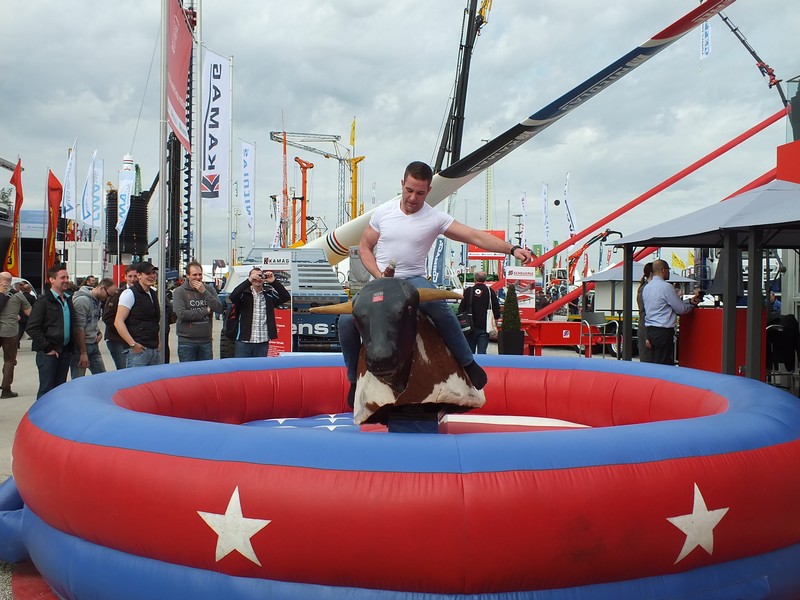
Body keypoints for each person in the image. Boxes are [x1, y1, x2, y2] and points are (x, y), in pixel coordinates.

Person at [338, 161, 534, 406]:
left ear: (429, 190)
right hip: (381, 282)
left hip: (414, 280)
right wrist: (378, 274)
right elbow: (365, 247)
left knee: (440, 307)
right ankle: (353, 380)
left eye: (420, 193)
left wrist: (512, 248)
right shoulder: (382, 213)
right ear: (402, 184)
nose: (413, 197)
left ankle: (468, 363)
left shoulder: (434, 218)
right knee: (346, 321)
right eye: (409, 190)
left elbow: (475, 236)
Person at [26, 265, 79, 399]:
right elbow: (32, 328)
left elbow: (73, 325)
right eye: (62, 277)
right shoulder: (43, 302)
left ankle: (56, 418)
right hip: (48, 353)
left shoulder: (68, 300)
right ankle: (40, 418)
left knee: (60, 389)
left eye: (67, 277)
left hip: (65, 352)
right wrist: (47, 347)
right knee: (46, 390)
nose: (66, 280)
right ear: (52, 280)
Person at [642, 259, 701, 366]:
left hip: (651, 331)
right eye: (668, 270)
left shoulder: (647, 287)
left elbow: (667, 305)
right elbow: (681, 309)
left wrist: (688, 301)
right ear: (663, 270)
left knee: (655, 362)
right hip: (663, 332)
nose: (669, 272)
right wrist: (692, 305)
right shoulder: (666, 287)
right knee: (664, 363)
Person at [229, 266, 290, 358]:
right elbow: (233, 296)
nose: (257, 279)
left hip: (262, 341)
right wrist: (248, 281)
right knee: (242, 369)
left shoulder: (268, 294)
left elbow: (286, 296)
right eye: (254, 276)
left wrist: (274, 281)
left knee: (259, 371)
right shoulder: (243, 294)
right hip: (244, 341)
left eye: (260, 276)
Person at [172, 260, 223, 362]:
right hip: (187, 342)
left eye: (200, 274)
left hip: (206, 341)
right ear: (187, 276)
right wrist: (205, 311)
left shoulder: (209, 289)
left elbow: (219, 308)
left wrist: (204, 292)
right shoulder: (179, 292)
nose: (198, 278)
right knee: (188, 373)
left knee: (205, 374)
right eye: (194, 275)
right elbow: (182, 314)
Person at [114, 261, 162, 368]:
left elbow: (154, 320)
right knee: (135, 382)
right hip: (138, 351)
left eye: (153, 273)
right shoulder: (129, 294)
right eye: (148, 273)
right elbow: (118, 321)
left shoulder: (153, 293)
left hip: (153, 350)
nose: (152, 276)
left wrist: (158, 342)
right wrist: (133, 344)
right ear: (139, 275)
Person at [70, 277, 117, 378]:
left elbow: (91, 320)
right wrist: (83, 352)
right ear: (101, 288)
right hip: (81, 347)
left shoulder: (97, 300)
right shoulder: (83, 300)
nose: (108, 298)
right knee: (78, 380)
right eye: (108, 295)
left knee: (102, 378)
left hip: (93, 344)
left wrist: (98, 332)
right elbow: (79, 328)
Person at [0, 272, 32, 398]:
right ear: (10, 281)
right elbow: (30, 312)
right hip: (11, 331)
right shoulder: (18, 295)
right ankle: (6, 389)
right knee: (9, 361)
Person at [103, 264, 138, 369]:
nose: (133, 279)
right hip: (117, 340)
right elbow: (107, 317)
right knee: (124, 371)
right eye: (130, 276)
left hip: (132, 340)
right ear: (125, 277)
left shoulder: (140, 294)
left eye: (135, 276)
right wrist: (122, 330)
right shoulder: (119, 294)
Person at [459, 271, 501, 355]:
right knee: (482, 352)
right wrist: (496, 320)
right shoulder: (490, 291)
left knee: (470, 352)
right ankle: (481, 366)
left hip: (470, 327)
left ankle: (471, 367)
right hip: (485, 327)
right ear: (485, 279)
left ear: (475, 279)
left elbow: (461, 309)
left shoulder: (468, 291)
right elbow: (496, 308)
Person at [636, 262, 653, 363]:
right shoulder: (644, 290)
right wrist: (647, 337)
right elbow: (644, 313)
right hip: (646, 331)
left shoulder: (644, 288)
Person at [15, 281, 36, 347]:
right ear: (30, 290)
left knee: (20, 331)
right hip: (29, 316)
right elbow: (35, 306)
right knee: (32, 330)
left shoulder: (19, 296)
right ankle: (35, 343)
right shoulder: (32, 297)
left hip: (21, 316)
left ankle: (16, 343)